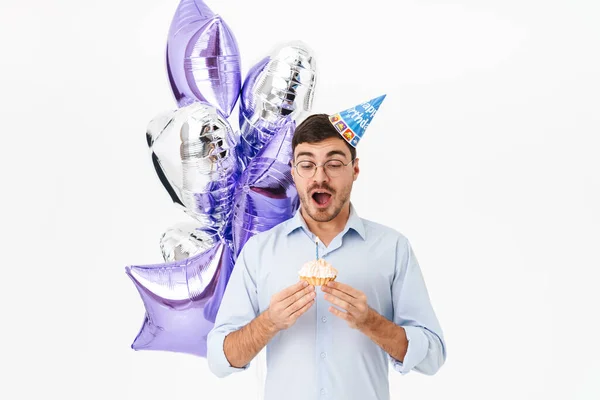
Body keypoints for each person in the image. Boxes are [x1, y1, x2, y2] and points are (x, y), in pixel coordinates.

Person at [207, 96, 446, 400]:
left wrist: (371, 322)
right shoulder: (259, 251)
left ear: (355, 169)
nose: (320, 177)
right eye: (307, 164)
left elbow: (432, 356)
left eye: (333, 164)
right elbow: (219, 359)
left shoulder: (393, 248)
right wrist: (269, 322)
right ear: (293, 171)